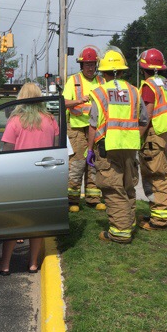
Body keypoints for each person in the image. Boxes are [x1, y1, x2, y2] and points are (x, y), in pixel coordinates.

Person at [0, 82, 59, 275]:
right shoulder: (50, 119)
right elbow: (54, 147)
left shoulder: (15, 120)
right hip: (43, 176)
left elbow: (6, 150)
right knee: (37, 222)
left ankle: (5, 264)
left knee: (13, 221)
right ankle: (32, 263)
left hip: (19, 176)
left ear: (21, 97)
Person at [86, 47, 148, 244]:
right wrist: (132, 138)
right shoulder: (134, 91)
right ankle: (128, 223)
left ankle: (120, 232)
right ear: (121, 71)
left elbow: (93, 125)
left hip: (108, 148)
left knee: (113, 189)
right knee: (128, 186)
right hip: (130, 147)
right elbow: (144, 121)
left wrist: (89, 150)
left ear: (103, 73)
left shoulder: (100, 92)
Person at [62, 46, 106, 213]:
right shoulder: (73, 81)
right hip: (77, 128)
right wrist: (80, 100)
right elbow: (64, 102)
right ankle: (72, 199)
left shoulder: (102, 82)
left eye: (92, 64)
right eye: (86, 64)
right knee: (77, 164)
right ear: (81, 66)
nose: (89, 67)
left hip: (96, 129)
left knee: (94, 163)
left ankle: (93, 198)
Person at [137, 49, 167, 231]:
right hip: (165, 133)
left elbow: (147, 115)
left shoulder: (148, 86)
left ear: (143, 67)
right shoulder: (165, 83)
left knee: (156, 176)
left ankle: (160, 219)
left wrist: (137, 136)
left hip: (153, 135)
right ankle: (157, 213)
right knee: (162, 173)